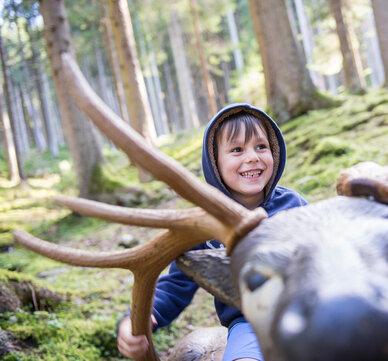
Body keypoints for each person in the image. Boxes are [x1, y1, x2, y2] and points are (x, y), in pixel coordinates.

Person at [117, 103, 308, 360]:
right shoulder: (204, 226)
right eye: (237, 150)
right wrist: (132, 321)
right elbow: (175, 285)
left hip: (309, 312)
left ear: (274, 150)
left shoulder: (294, 206)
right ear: (215, 163)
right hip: (252, 325)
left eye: (261, 147)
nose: (252, 157)